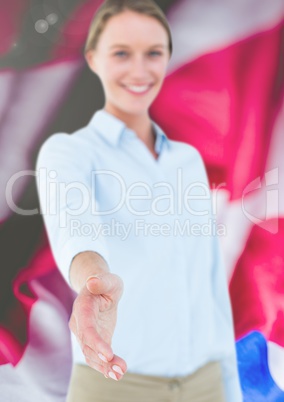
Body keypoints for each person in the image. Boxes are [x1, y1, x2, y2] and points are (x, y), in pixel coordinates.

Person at [35, 0, 243, 401]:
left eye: (153, 53)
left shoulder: (187, 160)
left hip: (206, 384)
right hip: (117, 385)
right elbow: (75, 232)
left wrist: (228, 387)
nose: (139, 70)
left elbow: (209, 284)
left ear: (167, 58)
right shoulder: (69, 152)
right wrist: (93, 283)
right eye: (121, 53)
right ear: (93, 59)